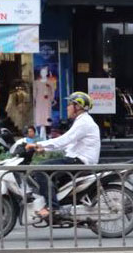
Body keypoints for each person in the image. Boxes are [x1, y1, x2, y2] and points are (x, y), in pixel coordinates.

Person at [26, 91, 101, 222]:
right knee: (48, 170)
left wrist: (37, 144)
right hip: (76, 158)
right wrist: (45, 148)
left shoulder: (84, 122)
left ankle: (53, 208)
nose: (67, 107)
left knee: (40, 170)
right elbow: (67, 145)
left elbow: (64, 140)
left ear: (78, 107)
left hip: (79, 161)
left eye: (70, 104)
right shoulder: (81, 121)